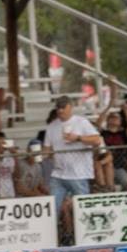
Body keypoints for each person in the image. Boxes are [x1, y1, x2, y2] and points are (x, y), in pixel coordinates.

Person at [43, 95, 100, 224]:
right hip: (58, 173)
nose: (60, 110)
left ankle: (83, 233)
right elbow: (46, 149)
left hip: (79, 173)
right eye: (58, 107)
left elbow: (97, 140)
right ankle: (54, 233)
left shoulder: (81, 122)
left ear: (70, 107)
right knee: (52, 209)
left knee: (82, 210)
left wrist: (78, 138)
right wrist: (38, 154)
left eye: (63, 107)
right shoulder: (51, 126)